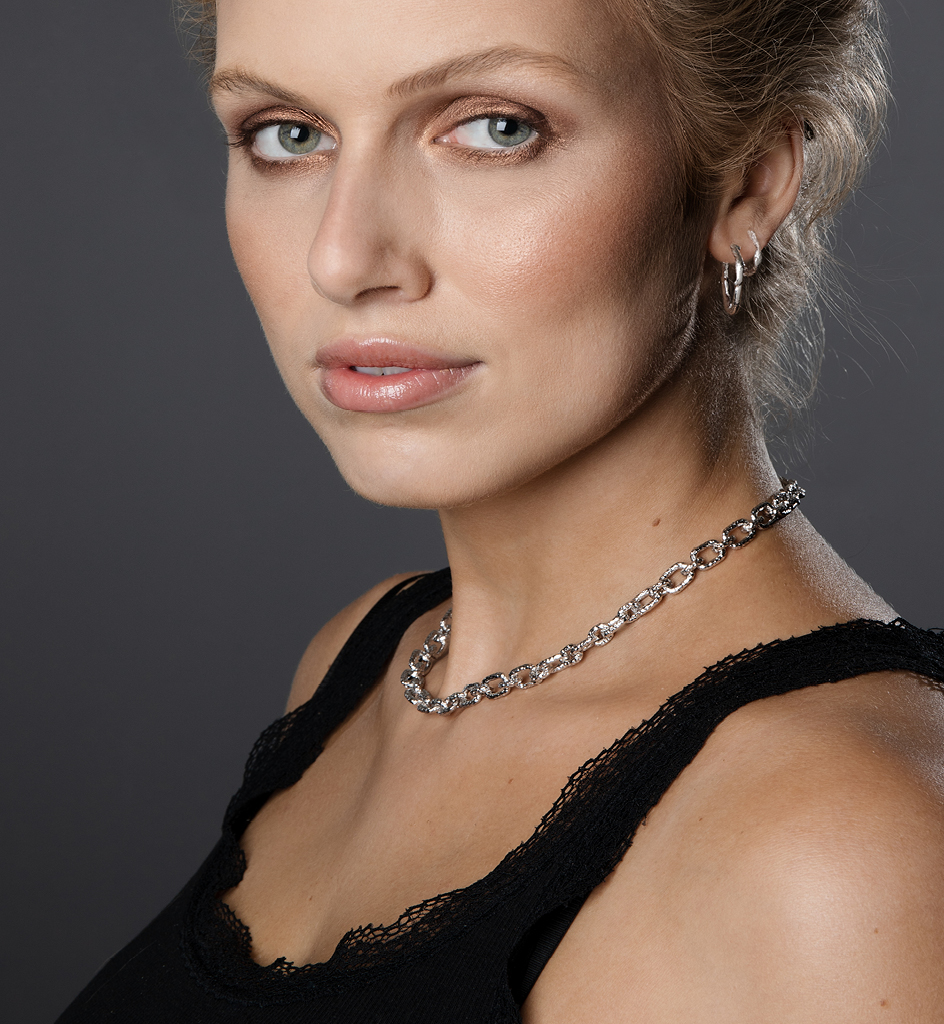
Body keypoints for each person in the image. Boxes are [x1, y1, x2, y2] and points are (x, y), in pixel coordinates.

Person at [58, 0, 944, 1020]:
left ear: (749, 179)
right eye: (288, 135)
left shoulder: (846, 847)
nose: (341, 259)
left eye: (495, 128)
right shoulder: (370, 661)